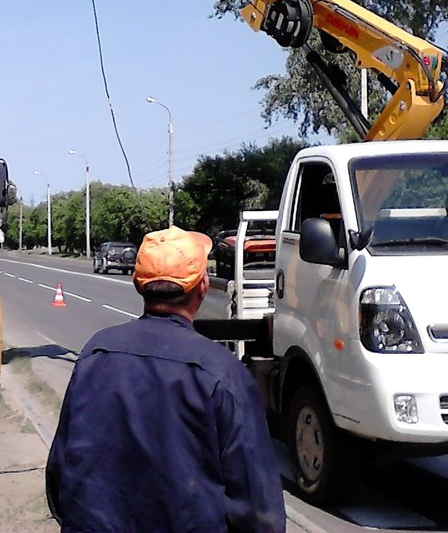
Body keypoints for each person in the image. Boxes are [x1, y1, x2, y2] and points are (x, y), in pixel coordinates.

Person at [46, 226, 286, 533]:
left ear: (138, 284)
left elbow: (60, 473)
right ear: (202, 287)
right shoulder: (222, 373)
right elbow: (258, 509)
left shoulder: (96, 352)